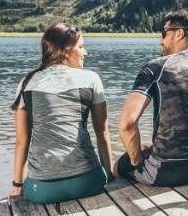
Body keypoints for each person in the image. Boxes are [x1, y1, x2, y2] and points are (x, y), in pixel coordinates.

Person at [116, 9, 188, 186]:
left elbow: (126, 124)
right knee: (147, 148)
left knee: (122, 163)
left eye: (164, 33)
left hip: (166, 172)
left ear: (180, 33)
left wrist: (136, 163)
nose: (160, 40)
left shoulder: (156, 68)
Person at [11, 24, 113, 205]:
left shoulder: (27, 82)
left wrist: (17, 184)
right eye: (81, 47)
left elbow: (21, 141)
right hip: (89, 183)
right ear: (66, 50)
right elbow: (102, 133)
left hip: (41, 191)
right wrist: (109, 175)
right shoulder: (91, 78)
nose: (85, 53)